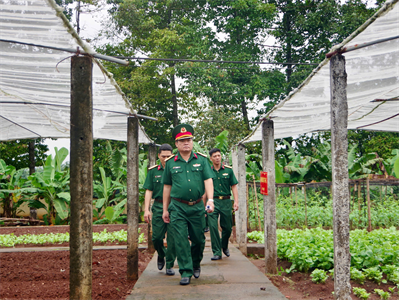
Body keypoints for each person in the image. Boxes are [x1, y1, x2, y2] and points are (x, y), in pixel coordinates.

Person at [162, 124, 215, 286]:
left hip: (197, 206)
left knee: (199, 240)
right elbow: (167, 187)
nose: (186, 143)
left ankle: (196, 263)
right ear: (176, 144)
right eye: (182, 140)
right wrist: (165, 209)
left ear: (192, 142)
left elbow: (208, 180)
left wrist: (211, 200)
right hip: (177, 207)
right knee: (181, 240)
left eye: (189, 140)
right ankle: (185, 271)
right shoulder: (170, 163)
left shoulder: (202, 160)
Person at [143, 144, 176, 276]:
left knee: (172, 238)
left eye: (169, 156)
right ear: (159, 156)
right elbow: (148, 190)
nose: (166, 159)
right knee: (156, 237)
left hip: (174, 206)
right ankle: (161, 254)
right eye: (164, 156)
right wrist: (146, 210)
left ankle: (169, 265)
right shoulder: (153, 171)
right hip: (157, 206)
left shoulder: (176, 169)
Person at [207, 148, 239, 260]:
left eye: (219, 155)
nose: (217, 158)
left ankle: (224, 245)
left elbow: (234, 186)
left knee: (228, 227)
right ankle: (216, 252)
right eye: (214, 156)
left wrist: (236, 201)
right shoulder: (208, 171)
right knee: (213, 226)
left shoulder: (228, 171)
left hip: (226, 201)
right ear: (211, 158)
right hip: (213, 201)